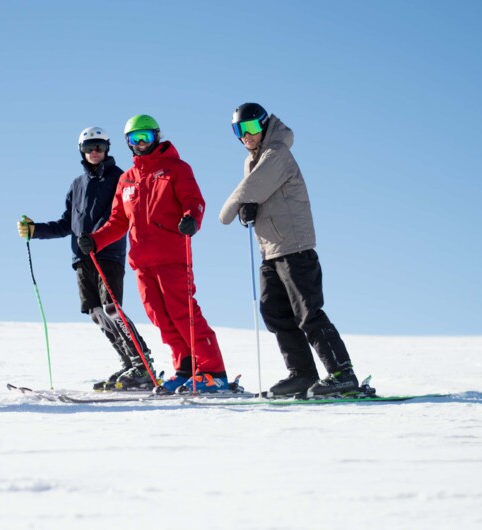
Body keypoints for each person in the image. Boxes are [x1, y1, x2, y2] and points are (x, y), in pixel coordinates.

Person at [78, 115, 229, 393]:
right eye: (135, 139)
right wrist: (95, 240)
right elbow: (118, 221)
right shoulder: (127, 179)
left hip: (172, 255)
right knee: (159, 316)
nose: (141, 143)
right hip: (143, 262)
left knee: (183, 312)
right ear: (127, 143)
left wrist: (192, 219)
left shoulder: (176, 168)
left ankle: (213, 371)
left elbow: (194, 201)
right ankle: (185, 368)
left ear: (157, 136)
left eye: (146, 136)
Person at [219, 103, 359, 397]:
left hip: (294, 246)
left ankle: (342, 373)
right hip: (270, 249)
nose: (246, 136)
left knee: (308, 312)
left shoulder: (277, 153)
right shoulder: (253, 159)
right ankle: (302, 374)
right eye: (239, 130)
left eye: (251, 128)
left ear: (265, 125)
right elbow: (256, 191)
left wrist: (235, 209)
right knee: (274, 311)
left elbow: (251, 188)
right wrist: (251, 207)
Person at [17, 127, 154, 390]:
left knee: (112, 307)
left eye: (100, 147)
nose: (94, 152)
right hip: (81, 257)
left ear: (107, 149)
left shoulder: (120, 177)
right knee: (96, 312)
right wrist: (36, 231)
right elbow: (66, 223)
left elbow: (123, 215)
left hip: (108, 253)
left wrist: (97, 237)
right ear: (81, 149)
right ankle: (129, 363)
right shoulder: (77, 185)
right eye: (89, 147)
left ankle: (142, 363)